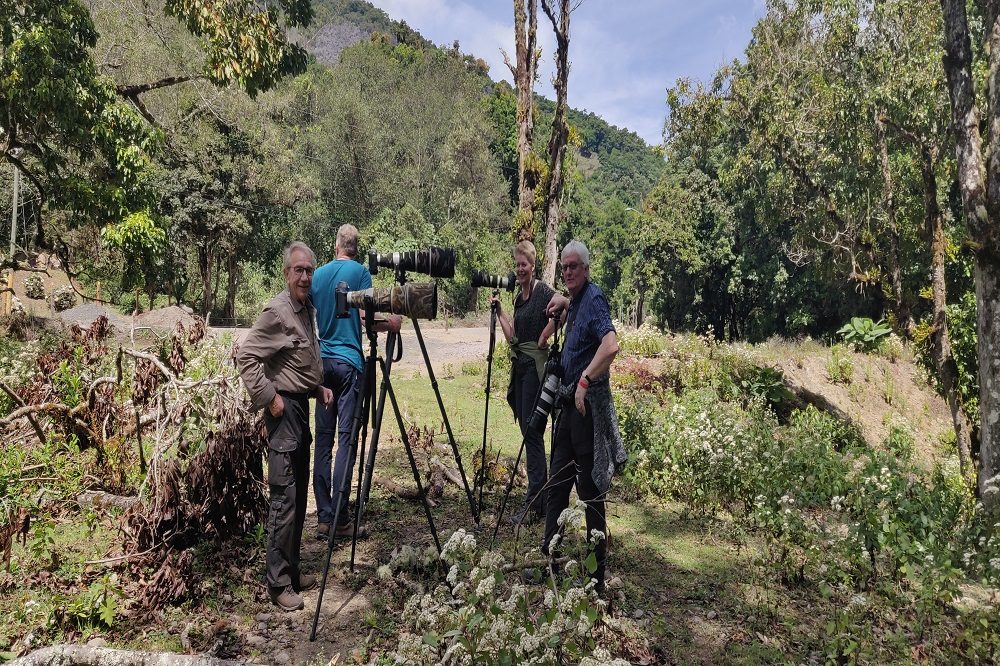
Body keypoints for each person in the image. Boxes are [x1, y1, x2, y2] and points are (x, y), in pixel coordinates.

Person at [236, 241, 333, 612]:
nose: (305, 276)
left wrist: (318, 386)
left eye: (309, 270)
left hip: (299, 409)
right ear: (286, 273)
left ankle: (291, 572)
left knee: (299, 494)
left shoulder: (306, 308)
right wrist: (270, 397)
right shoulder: (277, 311)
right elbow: (246, 357)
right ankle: (277, 584)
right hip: (282, 416)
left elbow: (298, 361)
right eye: (299, 270)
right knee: (284, 498)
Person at [541, 239, 627, 592]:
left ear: (587, 269)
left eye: (574, 266)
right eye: (564, 267)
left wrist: (584, 380)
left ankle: (595, 580)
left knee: (590, 494)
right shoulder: (577, 301)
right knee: (556, 488)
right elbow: (546, 339)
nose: (569, 271)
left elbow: (611, 345)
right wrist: (564, 300)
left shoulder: (593, 299)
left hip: (584, 411)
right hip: (566, 412)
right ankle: (551, 562)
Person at [310, 224, 401, 542]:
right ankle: (341, 518)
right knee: (346, 440)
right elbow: (365, 317)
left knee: (323, 441)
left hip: (322, 366)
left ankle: (323, 517)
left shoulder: (318, 275)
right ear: (355, 248)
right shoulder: (361, 273)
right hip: (349, 366)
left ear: (336, 245)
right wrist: (390, 324)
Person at [490, 240, 554, 524]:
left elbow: (564, 308)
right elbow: (512, 335)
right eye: (517, 265)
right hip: (521, 368)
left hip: (536, 369)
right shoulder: (518, 297)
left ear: (533, 265)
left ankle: (535, 502)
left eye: (524, 264)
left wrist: (545, 335)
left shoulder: (542, 292)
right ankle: (539, 499)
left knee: (532, 432)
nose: (520, 269)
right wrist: (500, 311)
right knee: (530, 432)